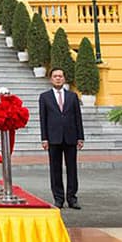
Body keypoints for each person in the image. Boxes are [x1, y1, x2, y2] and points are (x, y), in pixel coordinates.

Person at [38, 68, 84, 209]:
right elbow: (43, 119)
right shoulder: (45, 97)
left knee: (72, 169)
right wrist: (44, 138)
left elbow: (78, 117)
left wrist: (80, 137)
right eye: (55, 76)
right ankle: (58, 198)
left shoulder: (72, 96)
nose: (58, 78)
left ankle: (72, 198)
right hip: (53, 138)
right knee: (55, 169)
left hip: (70, 137)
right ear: (51, 79)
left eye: (60, 76)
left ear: (64, 79)